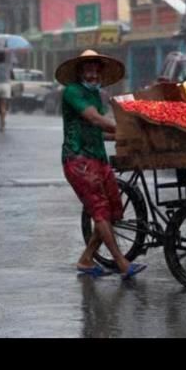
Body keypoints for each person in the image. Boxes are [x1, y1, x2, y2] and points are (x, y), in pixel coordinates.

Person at [55, 49, 146, 280]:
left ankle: (86, 259)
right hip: (79, 160)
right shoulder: (72, 92)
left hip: (99, 158)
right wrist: (126, 128)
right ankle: (122, 262)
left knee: (114, 211)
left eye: (96, 70)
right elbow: (95, 119)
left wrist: (130, 137)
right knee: (99, 211)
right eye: (88, 70)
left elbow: (99, 130)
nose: (93, 74)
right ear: (80, 72)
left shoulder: (96, 96)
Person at [0, 52, 14, 132]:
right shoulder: (8, 65)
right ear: (4, 58)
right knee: (3, 105)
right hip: (5, 86)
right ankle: (2, 123)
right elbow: (12, 76)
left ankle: (1, 121)